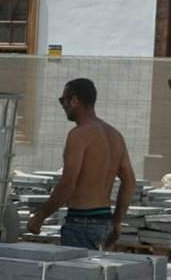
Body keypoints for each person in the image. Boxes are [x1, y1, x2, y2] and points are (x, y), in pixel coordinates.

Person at [26, 78, 136, 251]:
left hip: (81, 224)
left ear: (75, 100)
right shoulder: (115, 135)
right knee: (97, 276)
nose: (62, 105)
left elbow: (68, 184)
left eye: (63, 100)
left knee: (78, 276)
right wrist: (116, 222)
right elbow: (129, 182)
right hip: (103, 222)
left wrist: (39, 216)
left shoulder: (78, 135)